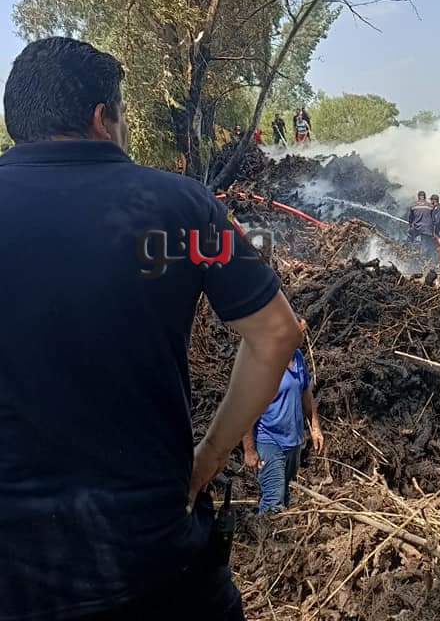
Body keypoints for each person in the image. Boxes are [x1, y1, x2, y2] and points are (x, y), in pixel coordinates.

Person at [0, 37, 303, 621]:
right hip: (153, 561)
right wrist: (208, 458)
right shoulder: (183, 208)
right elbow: (276, 335)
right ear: (102, 117)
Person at [242, 318, 324, 513]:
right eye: (300, 333)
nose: (304, 337)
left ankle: (279, 531)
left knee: (284, 495)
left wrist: (315, 428)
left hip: (293, 443)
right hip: (270, 440)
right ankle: (264, 531)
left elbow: (306, 394)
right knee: (273, 501)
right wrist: (249, 450)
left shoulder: (298, 358)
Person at [407, 190, 436, 259]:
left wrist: (411, 225)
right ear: (425, 197)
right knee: (425, 244)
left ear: (418, 197)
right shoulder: (431, 206)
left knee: (410, 236)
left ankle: (409, 250)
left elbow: (410, 218)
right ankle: (423, 257)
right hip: (427, 229)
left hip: (417, 227)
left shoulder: (413, 206)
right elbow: (434, 219)